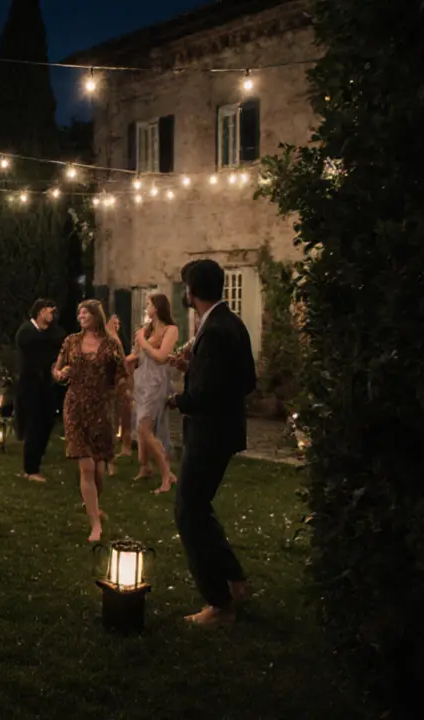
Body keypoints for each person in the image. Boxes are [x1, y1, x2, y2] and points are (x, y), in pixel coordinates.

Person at [167, 259, 256, 625]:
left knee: (188, 513)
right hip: (221, 432)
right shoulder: (229, 322)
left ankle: (218, 603)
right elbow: (245, 380)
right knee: (199, 508)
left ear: (191, 290)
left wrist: (178, 400)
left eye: (185, 286)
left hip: (210, 434)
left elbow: (208, 392)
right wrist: (196, 369)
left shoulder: (217, 329)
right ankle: (234, 580)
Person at [53, 299, 126, 542]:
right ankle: (95, 524)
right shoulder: (71, 341)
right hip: (74, 405)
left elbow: (121, 373)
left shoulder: (110, 344)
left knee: (99, 469)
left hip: (101, 408)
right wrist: (60, 374)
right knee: (86, 466)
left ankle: (94, 504)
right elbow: (57, 369)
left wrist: (124, 393)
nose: (81, 315)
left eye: (85, 312)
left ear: (96, 315)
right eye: (79, 312)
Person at [126, 294, 179, 494]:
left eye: (148, 304)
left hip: (156, 383)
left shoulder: (170, 330)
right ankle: (145, 466)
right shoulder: (146, 330)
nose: (146, 307)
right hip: (141, 381)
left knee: (144, 427)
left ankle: (167, 475)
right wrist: (123, 359)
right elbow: (137, 356)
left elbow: (160, 356)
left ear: (157, 308)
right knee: (141, 429)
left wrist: (143, 341)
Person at [15, 299, 65, 482]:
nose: (52, 315)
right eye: (49, 311)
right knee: (34, 425)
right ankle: (30, 468)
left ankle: (36, 462)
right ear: (40, 312)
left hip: (47, 387)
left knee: (46, 424)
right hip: (31, 387)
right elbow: (39, 351)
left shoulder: (51, 333)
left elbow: (60, 341)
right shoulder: (26, 332)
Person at [106, 314, 134, 470]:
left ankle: (126, 447)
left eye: (118, 323)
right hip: (113, 382)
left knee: (124, 413)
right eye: (114, 323)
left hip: (122, 381)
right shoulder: (108, 338)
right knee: (113, 417)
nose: (117, 326)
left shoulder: (118, 339)